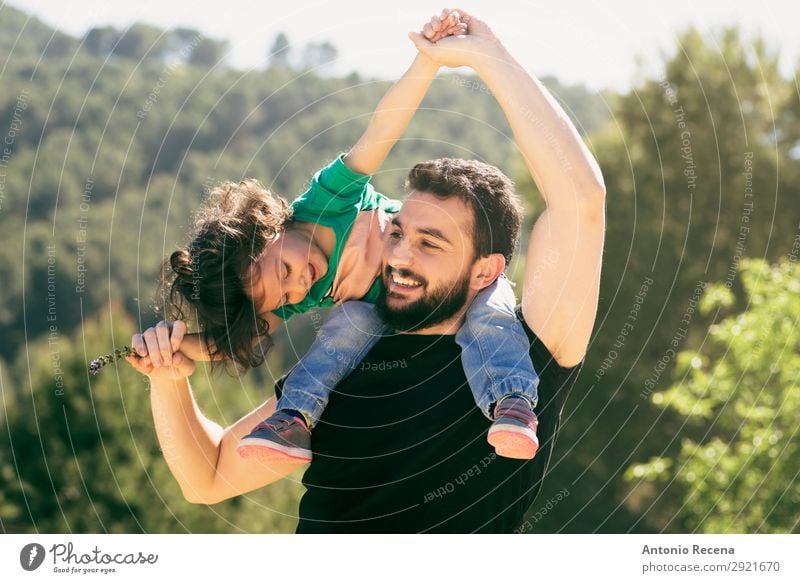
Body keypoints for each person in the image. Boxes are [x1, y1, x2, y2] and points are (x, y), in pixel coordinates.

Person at [127, 9, 605, 533]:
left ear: (484, 270)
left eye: (431, 242)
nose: (397, 256)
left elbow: (580, 201)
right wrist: (170, 375)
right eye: (397, 232)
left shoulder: (529, 348)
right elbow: (208, 479)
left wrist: (486, 57)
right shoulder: (335, 370)